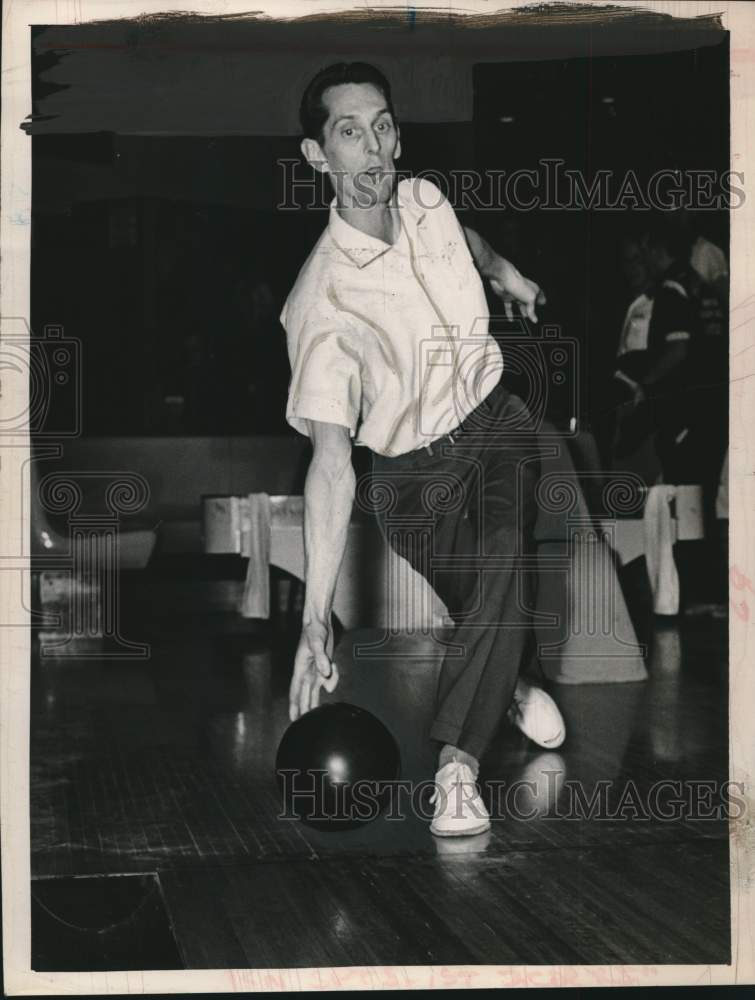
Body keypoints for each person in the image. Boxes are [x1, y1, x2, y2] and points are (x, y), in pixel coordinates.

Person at [280, 62, 565, 838]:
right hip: (412, 480)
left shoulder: (426, 199)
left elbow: (465, 243)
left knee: (504, 546)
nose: (370, 149)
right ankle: (506, 687)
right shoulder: (320, 300)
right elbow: (331, 460)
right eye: (347, 132)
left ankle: (455, 768)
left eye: (380, 126)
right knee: (486, 600)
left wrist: (509, 273)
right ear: (318, 158)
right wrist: (314, 620)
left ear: (397, 135)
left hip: (494, 424)